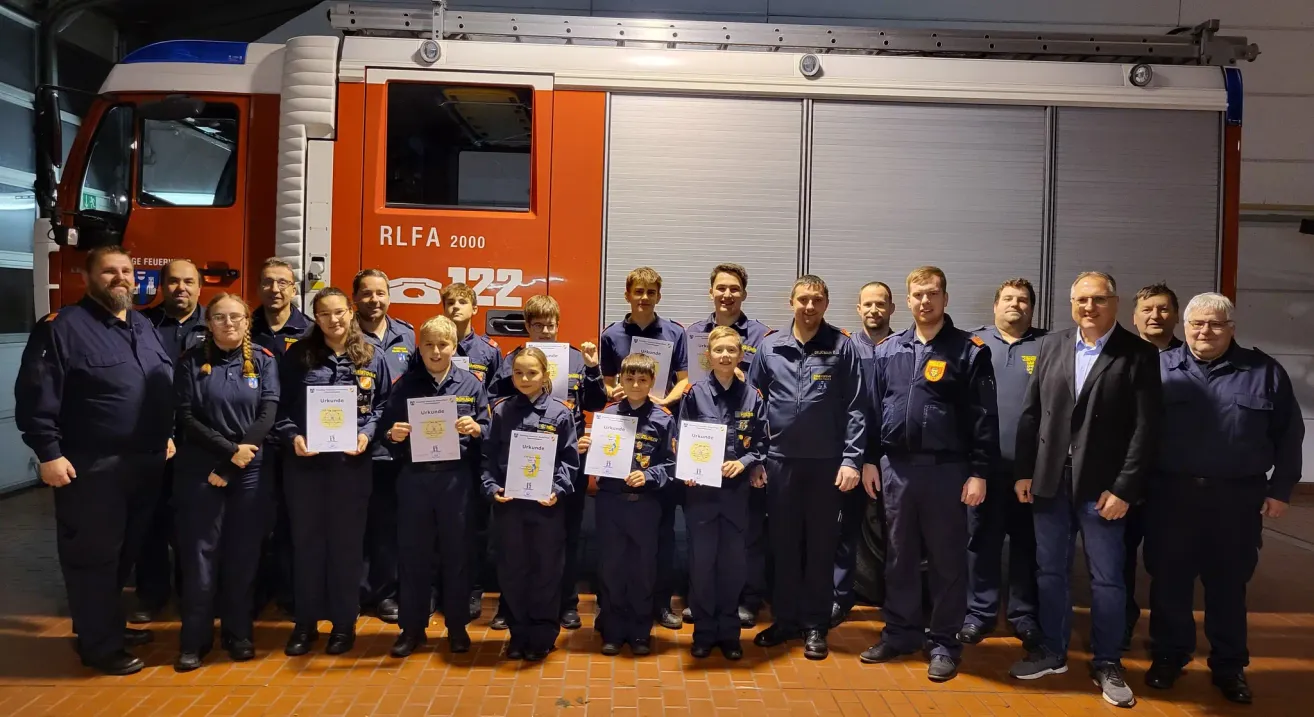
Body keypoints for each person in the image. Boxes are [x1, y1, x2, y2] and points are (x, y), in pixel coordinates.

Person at [15, 245, 175, 675]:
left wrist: (167, 434)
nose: (120, 278)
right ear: (88, 278)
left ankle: (109, 626)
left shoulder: (142, 324)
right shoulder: (62, 328)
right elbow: (35, 397)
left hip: (143, 464)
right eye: (109, 272)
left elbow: (157, 388)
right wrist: (48, 453)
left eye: (126, 270)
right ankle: (98, 647)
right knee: (93, 558)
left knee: (123, 557)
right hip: (91, 467)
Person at [1011, 271, 1160, 709]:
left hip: (1103, 489)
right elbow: (1032, 413)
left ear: (1114, 302)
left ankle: (1107, 661)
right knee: (1050, 572)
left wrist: (1125, 489)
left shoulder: (1136, 353)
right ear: (1071, 304)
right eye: (1081, 300)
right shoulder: (1053, 345)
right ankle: (1053, 652)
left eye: (1098, 299)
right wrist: (1024, 472)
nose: (1088, 308)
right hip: (1050, 482)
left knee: (1108, 579)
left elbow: (1145, 430)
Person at [1145, 293, 1302, 705]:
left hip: (1236, 500)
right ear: (1185, 326)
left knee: (1228, 587)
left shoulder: (1264, 371)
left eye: (1215, 324)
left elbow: (1289, 435)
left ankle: (1229, 666)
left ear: (1232, 327)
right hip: (1170, 496)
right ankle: (1168, 656)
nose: (1205, 332)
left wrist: (1281, 489)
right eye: (1197, 324)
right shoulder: (1158, 369)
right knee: (1169, 583)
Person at [858, 267, 997, 683]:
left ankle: (943, 643)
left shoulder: (969, 350)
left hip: (947, 472)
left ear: (945, 299)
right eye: (917, 294)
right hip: (895, 470)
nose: (924, 301)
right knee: (898, 558)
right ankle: (900, 633)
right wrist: (868, 459)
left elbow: (984, 418)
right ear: (908, 300)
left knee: (946, 561)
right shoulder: (890, 349)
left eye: (932, 294)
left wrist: (979, 473)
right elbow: (871, 407)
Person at [748, 274, 864, 661]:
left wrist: (852, 459)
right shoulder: (770, 347)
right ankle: (784, 621)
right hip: (779, 464)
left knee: (819, 546)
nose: (809, 307)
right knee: (782, 545)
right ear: (791, 302)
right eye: (803, 299)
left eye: (816, 300)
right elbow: (752, 406)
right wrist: (755, 458)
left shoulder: (842, 346)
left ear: (826, 304)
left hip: (827, 465)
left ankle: (814, 624)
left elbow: (856, 407)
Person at [277, 287, 393, 657]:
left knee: (346, 548)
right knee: (307, 545)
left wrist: (366, 434)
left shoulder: (372, 356)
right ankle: (305, 623)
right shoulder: (299, 356)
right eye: (325, 314)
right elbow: (278, 408)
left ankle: (344, 625)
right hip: (306, 466)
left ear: (351, 312)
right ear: (315, 317)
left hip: (351, 466)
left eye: (340, 312)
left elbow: (383, 407)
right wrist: (293, 437)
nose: (334, 320)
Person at [171, 293, 280, 671]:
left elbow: (268, 411)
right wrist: (227, 451)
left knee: (242, 556)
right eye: (220, 317)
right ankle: (194, 641)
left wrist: (237, 459)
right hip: (199, 470)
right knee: (200, 558)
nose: (228, 323)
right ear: (209, 322)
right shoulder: (190, 362)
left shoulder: (264, 361)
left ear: (248, 322)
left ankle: (239, 634)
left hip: (248, 472)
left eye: (236, 317)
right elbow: (186, 416)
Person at [490, 295, 608, 630]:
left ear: (558, 325)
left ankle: (566, 603)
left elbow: (597, 401)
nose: (544, 330)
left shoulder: (575, 358)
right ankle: (508, 606)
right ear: (527, 326)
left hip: (564, 460)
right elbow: (495, 397)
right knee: (514, 539)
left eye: (550, 324)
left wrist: (592, 368)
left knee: (566, 535)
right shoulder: (513, 360)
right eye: (537, 324)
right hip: (521, 459)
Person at [382, 315, 488, 657]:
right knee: (413, 554)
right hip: (414, 478)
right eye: (429, 344)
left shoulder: (471, 385)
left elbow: (489, 430)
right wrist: (393, 435)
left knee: (457, 555)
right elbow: (386, 429)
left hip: (456, 480)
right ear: (420, 347)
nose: (436, 351)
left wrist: (476, 428)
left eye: (443, 344)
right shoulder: (405, 385)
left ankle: (456, 628)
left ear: (453, 347)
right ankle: (411, 629)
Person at [600, 266, 690, 631]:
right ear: (627, 294)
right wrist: (620, 395)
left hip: (657, 433)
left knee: (661, 534)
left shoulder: (675, 332)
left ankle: (660, 604)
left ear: (658, 295)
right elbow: (605, 385)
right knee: (621, 546)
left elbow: (684, 381)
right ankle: (617, 613)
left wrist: (661, 402)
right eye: (638, 291)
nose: (644, 297)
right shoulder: (611, 335)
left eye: (651, 292)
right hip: (622, 432)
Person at [684, 264, 772, 628]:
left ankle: (742, 607)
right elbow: (684, 425)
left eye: (734, 288)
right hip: (702, 480)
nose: (727, 294)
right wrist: (688, 469)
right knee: (702, 552)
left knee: (741, 548)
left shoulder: (763, 337)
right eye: (720, 288)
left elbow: (764, 423)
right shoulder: (692, 337)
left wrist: (753, 462)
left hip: (739, 478)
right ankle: (703, 615)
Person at [480, 347, 580, 662]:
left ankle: (542, 635)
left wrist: (557, 490)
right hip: (510, 507)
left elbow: (570, 460)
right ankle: (518, 635)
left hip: (546, 506)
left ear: (545, 375)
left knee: (546, 572)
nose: (524, 379)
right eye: (519, 373)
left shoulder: (560, 413)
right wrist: (492, 487)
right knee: (513, 571)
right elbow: (487, 459)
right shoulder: (501, 411)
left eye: (532, 373)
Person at [960, 279, 1044, 649]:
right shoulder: (973, 344)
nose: (1016, 305)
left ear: (1032, 308)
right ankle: (979, 614)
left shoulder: (1051, 346)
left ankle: (1024, 616)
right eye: (1008, 299)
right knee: (981, 543)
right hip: (983, 470)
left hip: (1030, 472)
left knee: (1029, 546)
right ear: (994, 306)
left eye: (1023, 300)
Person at [680, 327, 768, 660]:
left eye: (732, 350)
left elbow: (762, 443)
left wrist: (744, 462)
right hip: (701, 494)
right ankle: (703, 633)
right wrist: (688, 469)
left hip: (736, 493)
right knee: (702, 565)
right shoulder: (694, 393)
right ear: (709, 355)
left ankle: (729, 634)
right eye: (719, 350)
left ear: (741, 354)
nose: (725, 356)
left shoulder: (753, 396)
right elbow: (681, 439)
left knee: (733, 565)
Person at [131, 258, 207, 624]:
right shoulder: (140, 324)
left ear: (199, 286)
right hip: (154, 439)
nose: (181, 288)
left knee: (194, 522)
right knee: (151, 520)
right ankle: (151, 594)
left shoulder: (218, 322)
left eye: (188, 281)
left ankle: (192, 592)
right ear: (161, 285)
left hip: (201, 441)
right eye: (174, 281)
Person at [592, 353, 675, 657]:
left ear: (652, 381)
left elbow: (672, 463)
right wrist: (588, 451)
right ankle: (613, 630)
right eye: (630, 379)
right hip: (611, 503)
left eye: (643, 379)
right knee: (611, 568)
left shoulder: (664, 419)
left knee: (643, 570)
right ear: (620, 381)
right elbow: (597, 460)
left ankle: (640, 632)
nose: (636, 384)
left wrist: (650, 475)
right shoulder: (608, 416)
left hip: (646, 505)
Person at [250, 258, 312, 618]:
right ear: (260, 287)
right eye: (268, 282)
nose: (275, 289)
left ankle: (290, 593)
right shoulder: (246, 326)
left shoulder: (308, 332)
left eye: (283, 283)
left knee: (291, 522)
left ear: (294, 289)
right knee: (254, 522)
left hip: (293, 442)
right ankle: (255, 593)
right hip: (253, 442)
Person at [354, 269, 416, 624]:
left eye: (380, 292)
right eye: (366, 293)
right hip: (355, 449)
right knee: (355, 525)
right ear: (356, 299)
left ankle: (387, 593)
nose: (374, 300)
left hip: (397, 452)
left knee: (389, 527)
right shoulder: (345, 339)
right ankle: (358, 592)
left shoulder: (407, 336)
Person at [833, 280, 896, 626]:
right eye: (867, 305)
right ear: (858, 309)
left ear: (891, 309)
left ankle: (896, 600)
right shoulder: (845, 347)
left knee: (898, 532)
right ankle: (840, 597)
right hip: (850, 453)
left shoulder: (905, 347)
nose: (874, 310)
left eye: (880, 304)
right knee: (846, 529)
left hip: (892, 456)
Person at [1124, 282, 1181, 650]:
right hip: (1125, 482)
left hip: (1171, 483)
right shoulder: (1121, 356)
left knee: (1169, 567)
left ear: (1176, 315)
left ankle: (1167, 643)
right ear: (1135, 316)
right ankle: (1120, 630)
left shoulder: (1192, 359)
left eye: (1163, 309)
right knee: (1118, 563)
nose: (1155, 316)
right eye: (1147, 309)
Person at [443, 281, 503, 625]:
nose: (455, 308)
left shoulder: (488, 351)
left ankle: (473, 589)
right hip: (438, 449)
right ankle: (440, 589)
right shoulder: (434, 346)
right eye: (449, 302)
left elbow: (495, 400)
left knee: (476, 527)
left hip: (475, 450)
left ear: (475, 309)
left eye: (462, 302)